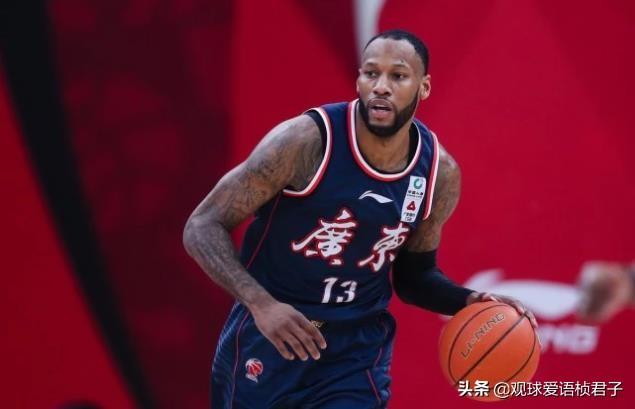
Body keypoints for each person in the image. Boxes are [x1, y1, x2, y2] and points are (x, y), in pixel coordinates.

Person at [183, 29, 538, 409]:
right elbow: (202, 225)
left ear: (424, 87)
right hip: (272, 336)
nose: (381, 86)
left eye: (398, 76)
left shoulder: (439, 173)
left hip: (353, 354)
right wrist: (260, 304)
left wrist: (470, 301)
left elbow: (413, 278)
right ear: (359, 80)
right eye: (371, 73)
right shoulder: (304, 142)